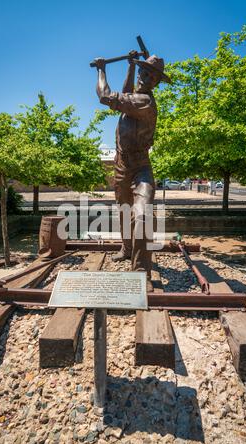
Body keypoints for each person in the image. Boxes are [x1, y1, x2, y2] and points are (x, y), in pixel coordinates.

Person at [94, 51, 171, 291]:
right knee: (124, 210)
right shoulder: (135, 97)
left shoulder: (144, 102)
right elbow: (126, 92)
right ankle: (127, 249)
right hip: (121, 165)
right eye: (142, 71)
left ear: (156, 83)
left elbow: (105, 97)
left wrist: (101, 69)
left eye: (150, 76)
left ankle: (141, 272)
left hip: (140, 167)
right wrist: (129, 67)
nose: (144, 77)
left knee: (142, 215)